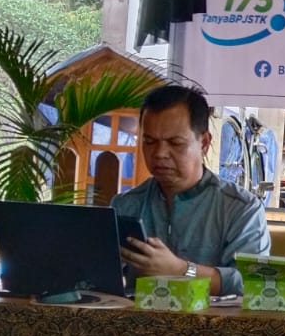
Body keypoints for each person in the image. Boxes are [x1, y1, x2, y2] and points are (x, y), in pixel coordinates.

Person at [114, 84, 271, 296]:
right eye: (149, 142)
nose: (159, 153)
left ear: (204, 143)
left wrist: (180, 270)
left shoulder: (241, 208)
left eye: (175, 143)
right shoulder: (125, 206)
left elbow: (254, 282)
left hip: (213, 317)